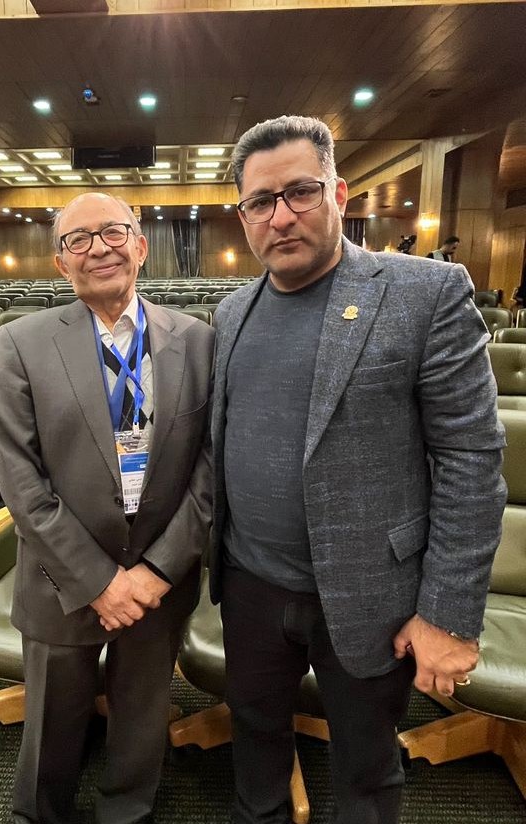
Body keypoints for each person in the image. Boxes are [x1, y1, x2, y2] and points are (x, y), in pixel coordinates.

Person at [209, 115, 506, 824]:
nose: (281, 216)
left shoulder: (425, 292)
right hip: (250, 586)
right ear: (244, 216)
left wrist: (447, 615)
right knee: (254, 740)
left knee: (366, 769)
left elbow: (471, 460)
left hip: (372, 590)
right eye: (260, 202)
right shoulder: (231, 311)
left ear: (339, 193)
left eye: (300, 192)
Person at [0, 192, 214, 824]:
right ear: (61, 263)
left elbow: (210, 469)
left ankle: (127, 813)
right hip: (61, 577)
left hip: (159, 578)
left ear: (141, 246)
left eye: (113, 233)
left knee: (142, 718)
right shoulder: (22, 342)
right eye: (78, 240)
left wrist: (157, 571)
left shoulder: (199, 341)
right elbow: (20, 480)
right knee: (51, 723)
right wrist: (97, 581)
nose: (99, 249)